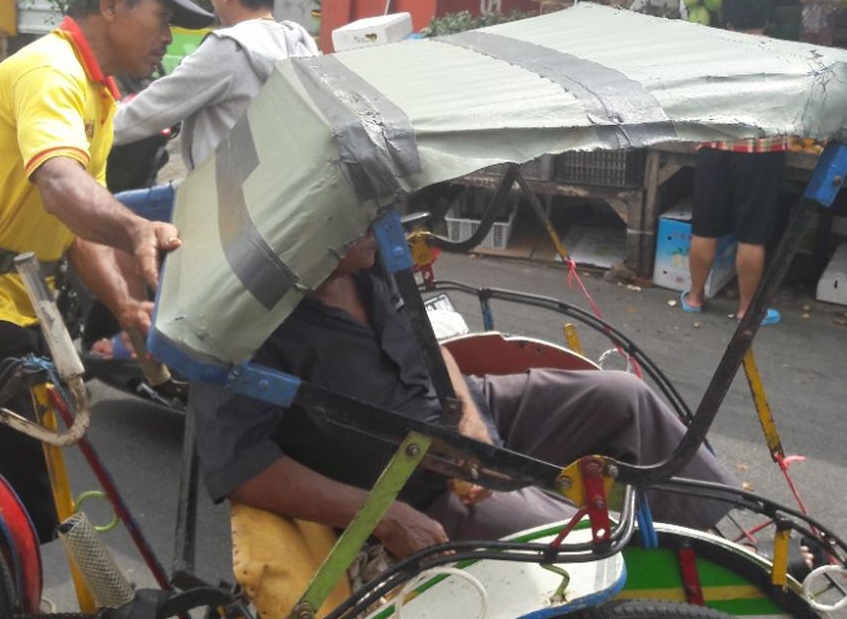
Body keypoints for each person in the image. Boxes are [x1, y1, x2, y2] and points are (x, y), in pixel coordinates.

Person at [0, 0, 213, 540]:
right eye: (162, 17)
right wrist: (135, 226)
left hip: (12, 300)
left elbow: (78, 223)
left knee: (15, 499)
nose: (168, 36)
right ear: (110, 4)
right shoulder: (50, 72)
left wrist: (124, 307)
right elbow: (59, 185)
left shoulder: (97, 89)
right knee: (7, 503)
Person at [190, 235, 739, 559]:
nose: (373, 223)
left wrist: (471, 419)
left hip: (469, 411)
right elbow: (244, 468)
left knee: (621, 395)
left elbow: (425, 341)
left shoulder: (367, 263)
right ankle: (676, 588)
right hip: (413, 479)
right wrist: (384, 517)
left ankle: (728, 552)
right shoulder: (239, 323)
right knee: (573, 544)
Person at [112, 0, 318, 172]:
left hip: (225, 199)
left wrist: (91, 127)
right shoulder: (300, 45)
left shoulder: (228, 49)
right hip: (278, 191)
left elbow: (147, 113)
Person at [682, 0, 785, 326]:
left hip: (714, 149)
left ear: (728, 20)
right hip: (760, 152)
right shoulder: (782, 56)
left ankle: (695, 297)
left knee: (705, 228)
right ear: (767, 20)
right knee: (752, 234)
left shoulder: (712, 53)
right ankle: (746, 310)